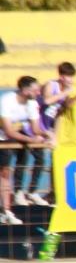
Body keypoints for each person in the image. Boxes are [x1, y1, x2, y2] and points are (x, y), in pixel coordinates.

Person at [0, 77, 48, 225]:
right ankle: (6, 210)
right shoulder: (7, 101)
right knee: (4, 173)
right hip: (3, 138)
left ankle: (9, 206)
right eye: (35, 90)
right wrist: (32, 140)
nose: (39, 92)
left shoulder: (32, 103)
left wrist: (48, 135)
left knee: (15, 168)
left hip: (16, 138)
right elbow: (8, 131)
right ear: (25, 90)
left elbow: (35, 129)